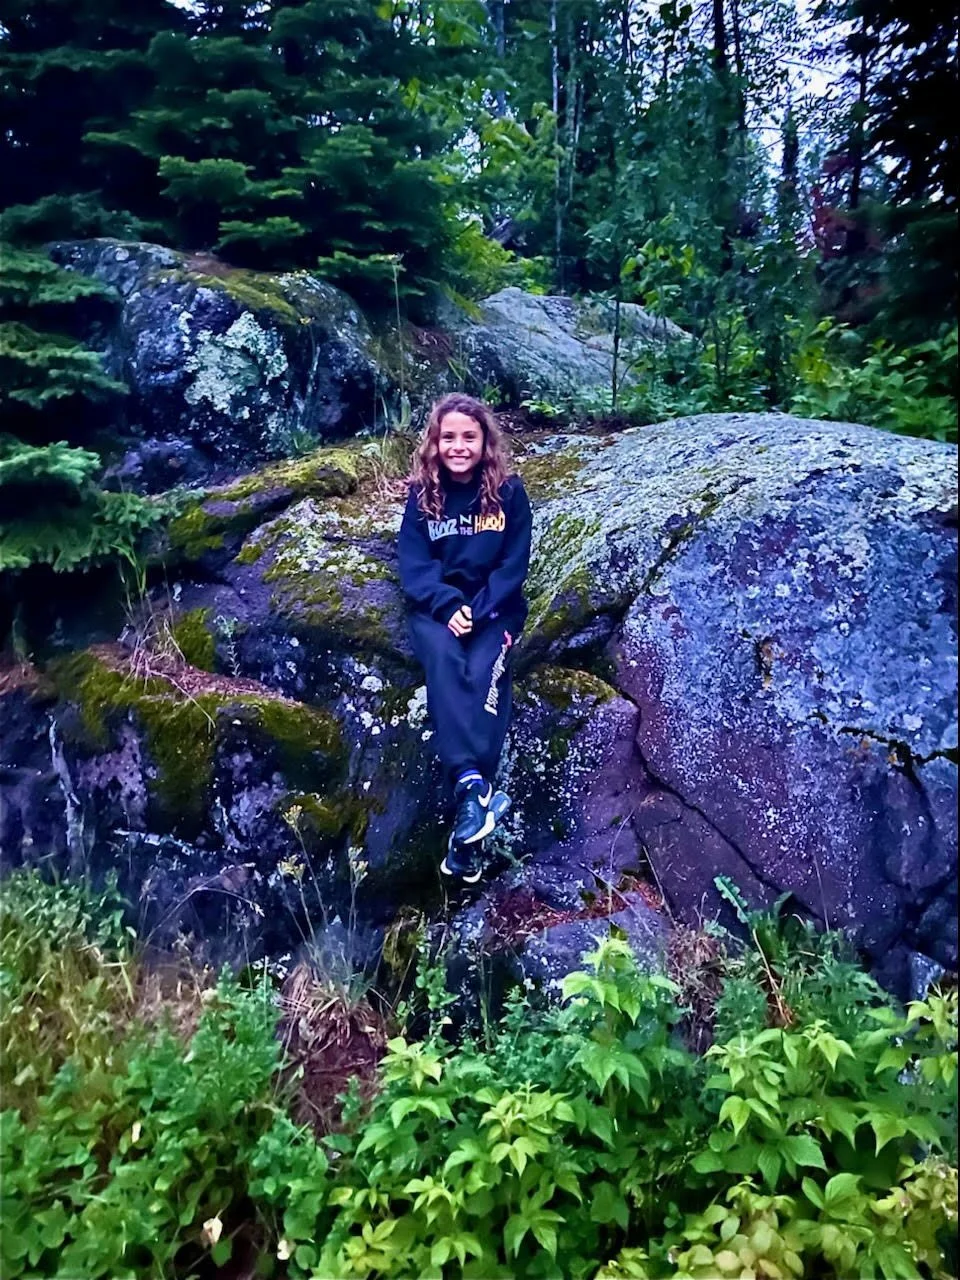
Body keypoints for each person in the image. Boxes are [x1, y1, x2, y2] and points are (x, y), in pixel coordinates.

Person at [397, 393, 532, 882]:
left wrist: (476, 611)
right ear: (435, 442)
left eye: (468, 437)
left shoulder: (510, 494)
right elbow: (413, 568)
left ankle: (468, 821)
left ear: (484, 442)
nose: (458, 446)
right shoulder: (422, 495)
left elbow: (512, 566)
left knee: (483, 676)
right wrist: (448, 607)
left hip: (494, 611)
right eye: (448, 437)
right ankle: (473, 793)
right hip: (437, 611)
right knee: (445, 664)